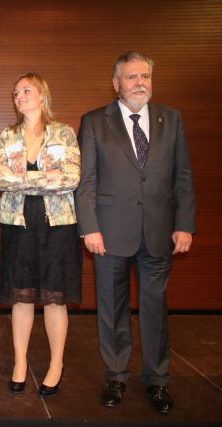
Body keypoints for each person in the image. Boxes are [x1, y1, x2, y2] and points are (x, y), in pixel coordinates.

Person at [75, 52, 196, 414]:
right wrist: (89, 228)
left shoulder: (171, 119)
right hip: (109, 234)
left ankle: (158, 381)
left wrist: (185, 223)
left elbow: (183, 178)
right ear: (116, 83)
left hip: (159, 231)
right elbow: (86, 182)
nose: (139, 82)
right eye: (131, 77)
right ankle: (115, 376)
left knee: (155, 308)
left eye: (145, 76)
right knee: (112, 309)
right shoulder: (95, 121)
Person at [0, 73, 82, 397]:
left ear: (42, 94)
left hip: (57, 224)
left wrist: (25, 178)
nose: (20, 96)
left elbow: (71, 178)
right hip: (18, 222)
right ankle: (19, 362)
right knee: (22, 296)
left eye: (26, 90)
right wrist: (44, 177)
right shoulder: (7, 135)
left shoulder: (64, 133)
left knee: (55, 297)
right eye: (15, 92)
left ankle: (56, 364)